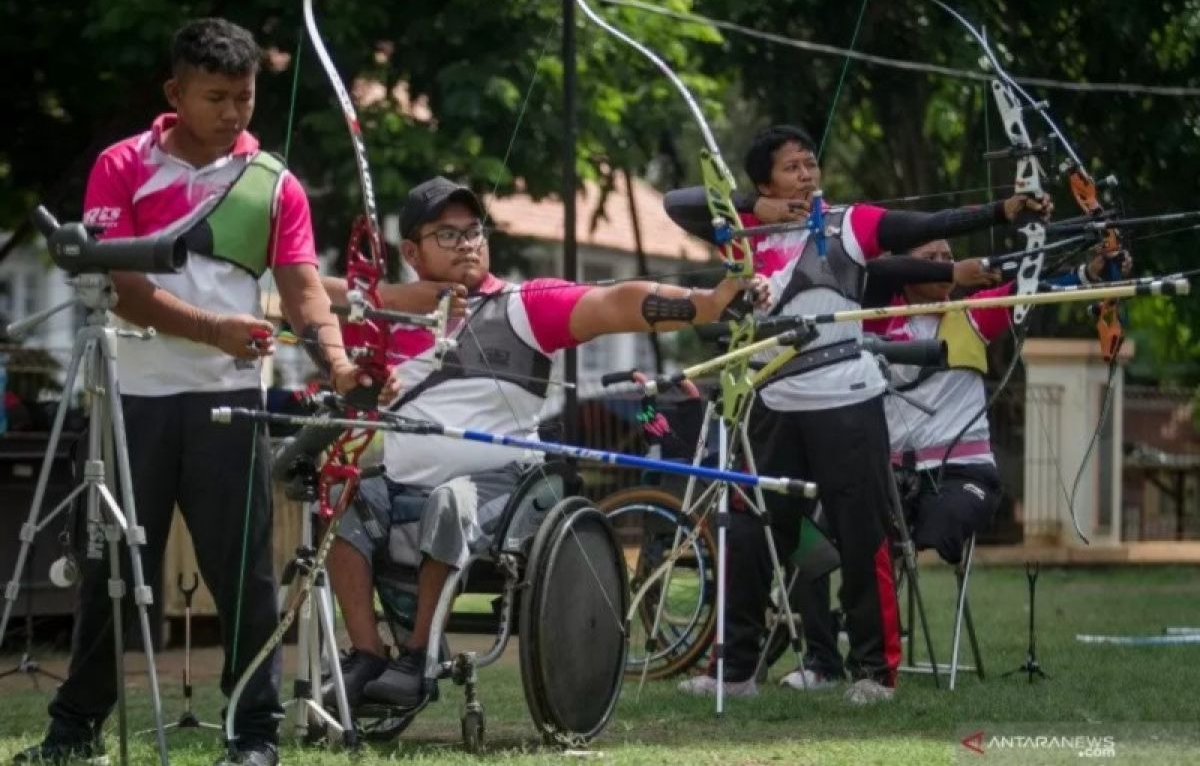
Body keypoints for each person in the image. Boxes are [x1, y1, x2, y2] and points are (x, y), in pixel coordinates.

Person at [17, 18, 371, 766]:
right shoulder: (122, 164)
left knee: (242, 577)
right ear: (175, 93)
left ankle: (254, 735)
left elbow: (303, 291)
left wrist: (337, 363)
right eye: (216, 97)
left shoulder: (275, 183)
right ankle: (74, 730)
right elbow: (122, 286)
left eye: (244, 97)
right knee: (115, 573)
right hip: (130, 399)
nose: (234, 114)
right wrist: (213, 328)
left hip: (230, 401)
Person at [321, 176, 769, 709]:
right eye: (448, 234)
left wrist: (710, 303)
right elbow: (297, 291)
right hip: (397, 491)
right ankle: (369, 654)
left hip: (500, 494)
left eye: (474, 231)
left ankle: (418, 658)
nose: (467, 242)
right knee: (337, 497)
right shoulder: (386, 319)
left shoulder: (520, 308)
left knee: (451, 500)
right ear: (412, 251)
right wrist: (395, 302)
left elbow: (615, 301)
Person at [662, 124, 1051, 704]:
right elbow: (677, 203)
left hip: (846, 399)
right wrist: (755, 207)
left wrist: (1002, 209)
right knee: (760, 530)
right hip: (774, 401)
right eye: (793, 167)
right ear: (765, 180)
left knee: (860, 530)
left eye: (811, 164)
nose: (808, 175)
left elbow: (921, 228)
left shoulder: (849, 222)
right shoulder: (743, 231)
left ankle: (874, 670)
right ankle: (740, 670)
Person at [788, 241, 1130, 688]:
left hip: (962, 476)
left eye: (948, 256)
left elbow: (1033, 290)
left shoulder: (973, 312)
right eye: (929, 258)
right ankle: (823, 660)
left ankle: (867, 634)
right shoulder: (871, 316)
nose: (944, 264)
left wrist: (1090, 272)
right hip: (888, 476)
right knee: (804, 539)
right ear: (903, 270)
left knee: (930, 530)